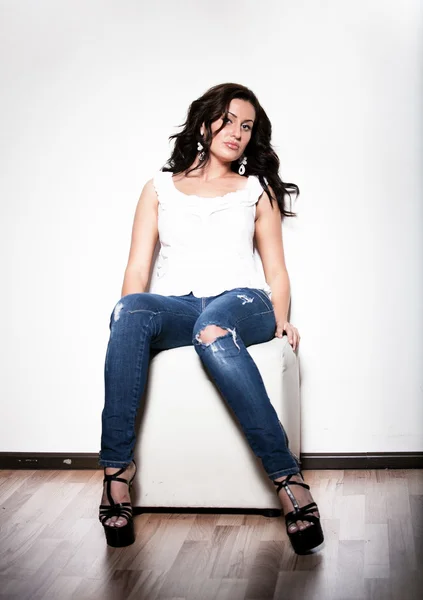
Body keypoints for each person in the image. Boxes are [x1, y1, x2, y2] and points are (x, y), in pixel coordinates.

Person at [98, 83, 324, 554]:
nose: (237, 133)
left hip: (243, 302)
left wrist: (281, 320)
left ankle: (287, 480)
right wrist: (128, 324)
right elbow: (138, 267)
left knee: (212, 329)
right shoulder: (158, 189)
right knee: (129, 309)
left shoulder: (253, 190)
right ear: (204, 124)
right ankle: (116, 473)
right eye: (228, 121)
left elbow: (276, 269)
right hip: (180, 304)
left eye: (247, 126)